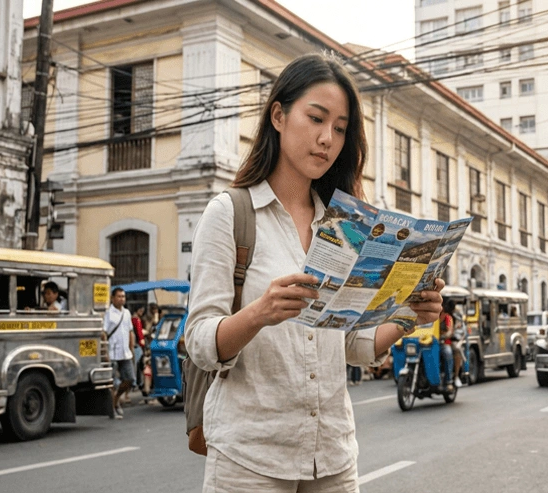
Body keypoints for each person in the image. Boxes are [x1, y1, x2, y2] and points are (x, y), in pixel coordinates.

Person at [185, 54, 444, 492]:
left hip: (333, 458)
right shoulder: (230, 214)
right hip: (250, 459)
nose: (327, 139)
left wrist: (406, 317)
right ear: (279, 115)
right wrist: (260, 313)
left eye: (340, 129)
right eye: (317, 118)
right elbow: (199, 343)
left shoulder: (343, 228)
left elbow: (350, 346)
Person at [105, 287, 135, 419]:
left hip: (125, 352)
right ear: (112, 298)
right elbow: (103, 333)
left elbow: (130, 331)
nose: (121, 298)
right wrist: (105, 352)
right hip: (112, 352)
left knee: (130, 379)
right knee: (111, 382)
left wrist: (132, 348)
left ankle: (116, 400)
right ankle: (113, 408)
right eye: (119, 296)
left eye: (123, 296)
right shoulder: (108, 313)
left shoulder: (127, 313)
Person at [131, 306, 147, 392]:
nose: (142, 312)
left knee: (136, 364)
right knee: (139, 364)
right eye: (141, 310)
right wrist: (142, 342)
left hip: (134, 344)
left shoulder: (132, 318)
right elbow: (139, 332)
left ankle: (137, 382)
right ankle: (138, 383)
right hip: (137, 344)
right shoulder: (136, 320)